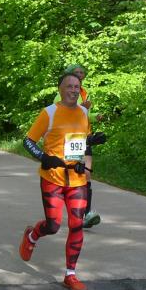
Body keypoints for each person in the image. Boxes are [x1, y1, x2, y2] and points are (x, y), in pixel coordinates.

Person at [19, 72, 92, 290]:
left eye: (77, 87)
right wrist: (44, 158)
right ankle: (32, 235)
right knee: (53, 226)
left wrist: (88, 167)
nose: (73, 90)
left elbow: (86, 144)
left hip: (77, 180)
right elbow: (28, 141)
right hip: (53, 178)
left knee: (77, 224)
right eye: (69, 86)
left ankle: (70, 274)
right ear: (60, 89)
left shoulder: (84, 113)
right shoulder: (49, 113)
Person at [55, 63, 101, 229]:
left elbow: (84, 115)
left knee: (86, 174)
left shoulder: (84, 92)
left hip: (85, 136)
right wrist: (82, 108)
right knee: (71, 175)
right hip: (71, 137)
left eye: (82, 72)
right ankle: (64, 209)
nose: (81, 74)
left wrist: (95, 116)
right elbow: (63, 112)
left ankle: (85, 214)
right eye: (77, 72)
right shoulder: (61, 93)